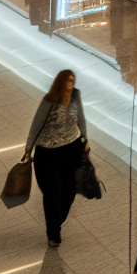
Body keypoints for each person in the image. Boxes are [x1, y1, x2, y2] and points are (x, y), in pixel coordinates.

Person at [25, 70, 88, 248]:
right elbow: (35, 125)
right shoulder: (49, 101)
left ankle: (57, 219)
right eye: (68, 81)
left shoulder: (76, 95)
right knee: (52, 193)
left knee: (69, 191)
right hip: (47, 153)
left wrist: (85, 138)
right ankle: (54, 234)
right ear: (60, 83)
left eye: (73, 81)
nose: (71, 84)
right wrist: (28, 150)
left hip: (71, 148)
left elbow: (80, 117)